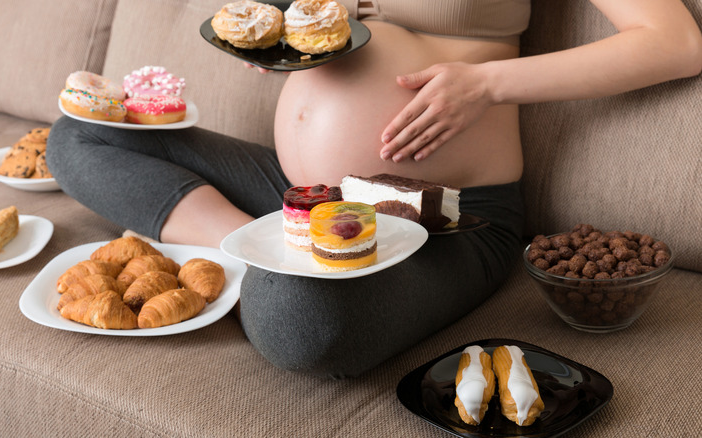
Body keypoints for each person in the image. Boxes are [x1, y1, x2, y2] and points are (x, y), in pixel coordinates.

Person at [47, 0, 702, 378]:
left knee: (300, 322)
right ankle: (252, 247)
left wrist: (490, 84)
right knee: (77, 139)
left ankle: (270, 268)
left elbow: (675, 42)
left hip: (442, 217)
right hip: (297, 193)